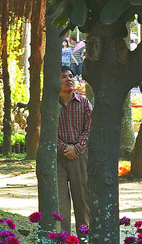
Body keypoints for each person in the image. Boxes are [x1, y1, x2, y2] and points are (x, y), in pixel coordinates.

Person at [54, 67, 90, 234]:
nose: (68, 79)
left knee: (82, 199)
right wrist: (63, 148)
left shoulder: (84, 102)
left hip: (79, 157)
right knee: (60, 201)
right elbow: (46, 130)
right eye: (63, 77)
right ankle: (63, 240)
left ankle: (83, 238)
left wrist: (77, 148)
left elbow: (89, 128)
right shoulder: (50, 104)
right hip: (57, 157)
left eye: (71, 76)